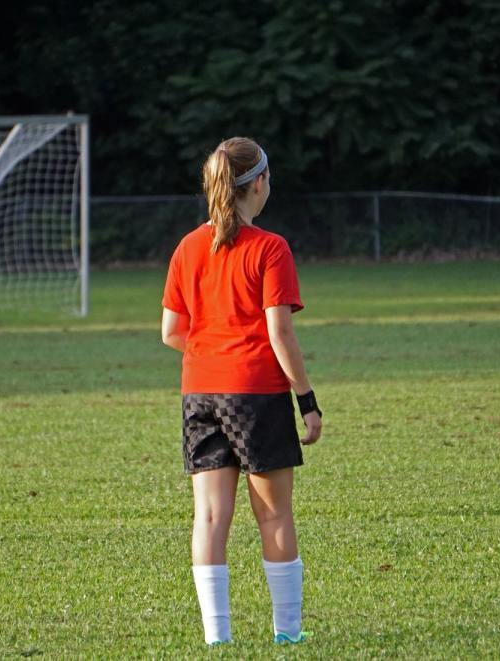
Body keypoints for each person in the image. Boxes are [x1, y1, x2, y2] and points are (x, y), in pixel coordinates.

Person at [160, 137, 322, 647]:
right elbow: (280, 333)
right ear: (260, 183)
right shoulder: (271, 248)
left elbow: (170, 331)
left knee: (209, 516)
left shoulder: (188, 247)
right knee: (273, 513)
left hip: (199, 394)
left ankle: (217, 638)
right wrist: (307, 400)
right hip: (256, 394)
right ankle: (288, 634)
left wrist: (214, 353)